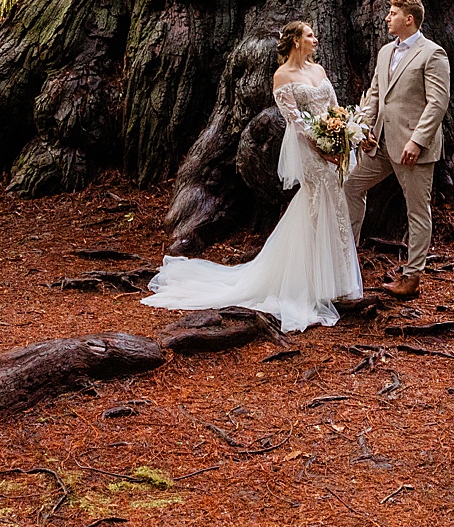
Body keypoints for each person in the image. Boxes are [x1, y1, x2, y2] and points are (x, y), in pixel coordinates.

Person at [142, 20, 363, 333]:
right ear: (297, 41)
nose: (316, 39)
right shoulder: (282, 75)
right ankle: (311, 285)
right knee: (319, 202)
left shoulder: (320, 71)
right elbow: (296, 121)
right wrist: (321, 148)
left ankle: (338, 282)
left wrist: (340, 139)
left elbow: (334, 109)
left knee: (334, 204)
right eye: (310, 35)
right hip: (310, 151)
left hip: (331, 148)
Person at [343, 0, 450, 298]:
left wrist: (417, 141)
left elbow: (437, 103)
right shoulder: (385, 52)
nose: (387, 18)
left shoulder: (433, 54)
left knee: (416, 210)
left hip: (413, 150)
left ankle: (412, 276)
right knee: (351, 186)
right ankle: (348, 261)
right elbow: (376, 94)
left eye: (392, 13)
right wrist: (362, 130)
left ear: (409, 19)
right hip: (380, 146)